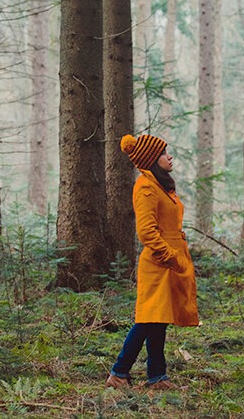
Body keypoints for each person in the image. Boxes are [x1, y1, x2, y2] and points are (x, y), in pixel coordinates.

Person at [105, 133, 199, 390]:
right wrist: (169, 255)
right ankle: (119, 372)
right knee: (147, 319)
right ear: (151, 159)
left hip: (170, 259)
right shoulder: (145, 186)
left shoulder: (161, 186)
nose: (169, 157)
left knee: (158, 318)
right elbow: (146, 231)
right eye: (163, 153)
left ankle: (157, 377)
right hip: (159, 262)